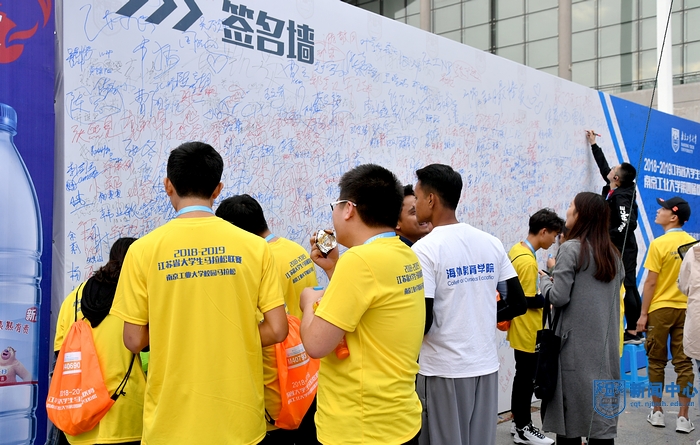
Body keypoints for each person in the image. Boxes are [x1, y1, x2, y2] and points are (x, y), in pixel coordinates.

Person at [110, 142, 288, 445]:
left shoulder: (141, 251)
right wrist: (231, 334)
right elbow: (278, 329)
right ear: (217, 189)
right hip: (239, 420)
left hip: (170, 424)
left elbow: (134, 340)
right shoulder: (256, 247)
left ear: (168, 185)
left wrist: (177, 331)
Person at [299, 164, 424, 445]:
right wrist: (333, 268)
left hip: (360, 427)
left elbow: (316, 345)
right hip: (398, 418)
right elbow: (369, 314)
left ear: (348, 209)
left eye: (336, 205)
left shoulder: (359, 261)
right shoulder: (404, 252)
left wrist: (308, 302)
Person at [411, 163, 526, 445]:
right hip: (485, 367)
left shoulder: (424, 249)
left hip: (443, 371)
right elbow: (518, 302)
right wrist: (479, 317)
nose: (415, 204)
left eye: (417, 196)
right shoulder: (490, 242)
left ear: (431, 199)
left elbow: (423, 321)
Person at [215, 194, 320, 444]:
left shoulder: (260, 261)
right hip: (306, 368)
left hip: (279, 375)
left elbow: (267, 323)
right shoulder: (293, 248)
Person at [539, 192, 624, 444]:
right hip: (605, 350)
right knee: (601, 425)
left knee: (570, 425)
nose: (567, 210)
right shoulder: (613, 254)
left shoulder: (571, 249)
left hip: (573, 350)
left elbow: (558, 297)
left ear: (580, 215)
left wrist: (544, 280)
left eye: (570, 206)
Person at [54, 237, 146, 445]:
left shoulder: (72, 299)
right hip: (126, 414)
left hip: (79, 416)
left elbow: (60, 355)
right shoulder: (138, 298)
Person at [636, 196, 695, 433]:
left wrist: (643, 314)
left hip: (659, 310)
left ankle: (658, 412)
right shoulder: (693, 244)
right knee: (684, 364)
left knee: (656, 361)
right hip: (687, 310)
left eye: (663, 209)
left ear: (673, 216)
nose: (658, 211)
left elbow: (650, 283)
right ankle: (683, 417)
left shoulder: (658, 244)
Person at [508, 209, 564, 445]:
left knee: (522, 377)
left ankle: (518, 424)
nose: (554, 240)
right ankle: (524, 428)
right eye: (554, 234)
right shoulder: (527, 261)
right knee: (526, 379)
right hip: (528, 329)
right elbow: (527, 299)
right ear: (543, 231)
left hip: (521, 327)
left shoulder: (517, 250)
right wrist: (549, 294)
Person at [587, 130, 641, 344]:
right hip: (617, 245)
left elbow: (626, 223)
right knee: (625, 284)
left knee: (629, 284)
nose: (610, 170)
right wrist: (594, 145)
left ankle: (633, 331)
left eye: (614, 170)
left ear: (616, 178)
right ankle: (633, 328)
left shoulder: (621, 197)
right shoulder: (617, 187)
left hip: (624, 246)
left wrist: (606, 237)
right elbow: (605, 169)